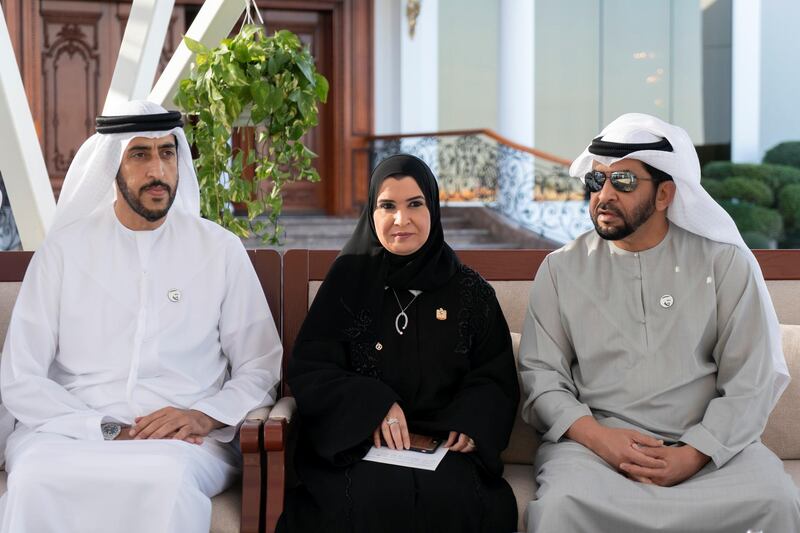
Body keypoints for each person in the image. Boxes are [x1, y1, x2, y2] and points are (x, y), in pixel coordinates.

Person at [0, 100, 282, 532]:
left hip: (182, 441)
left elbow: (260, 364)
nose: (157, 170)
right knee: (34, 479)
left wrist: (203, 416)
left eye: (166, 153)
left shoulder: (219, 250)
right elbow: (21, 376)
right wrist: (106, 428)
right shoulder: (62, 253)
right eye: (140, 154)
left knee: (165, 481)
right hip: (68, 432)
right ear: (112, 164)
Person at [519, 112, 799, 532]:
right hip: (596, 451)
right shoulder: (560, 270)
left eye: (624, 182)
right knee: (560, 507)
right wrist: (600, 439)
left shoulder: (723, 263)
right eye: (596, 181)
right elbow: (541, 376)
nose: (604, 195)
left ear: (666, 194)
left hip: (710, 447)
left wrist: (693, 452)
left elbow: (751, 378)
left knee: (776, 502)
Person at [278, 154, 519, 532]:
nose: (400, 220)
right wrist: (374, 405)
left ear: (433, 209)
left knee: (453, 500)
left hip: (443, 449)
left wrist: (472, 424)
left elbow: (494, 374)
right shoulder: (347, 281)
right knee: (367, 498)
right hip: (357, 444)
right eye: (387, 206)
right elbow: (312, 368)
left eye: (415, 205)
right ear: (372, 213)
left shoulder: (470, 291)